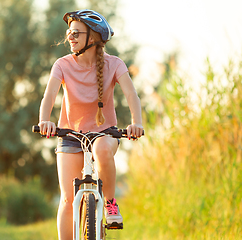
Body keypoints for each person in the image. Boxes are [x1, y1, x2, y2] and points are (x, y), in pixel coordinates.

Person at [38, 9, 144, 240]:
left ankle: (110, 203)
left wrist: (136, 123)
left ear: (94, 38)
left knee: (101, 149)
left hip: (104, 133)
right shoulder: (62, 64)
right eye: (69, 32)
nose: (70, 37)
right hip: (70, 135)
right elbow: (48, 96)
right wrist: (45, 120)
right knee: (67, 198)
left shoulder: (114, 64)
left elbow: (132, 95)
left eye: (76, 32)